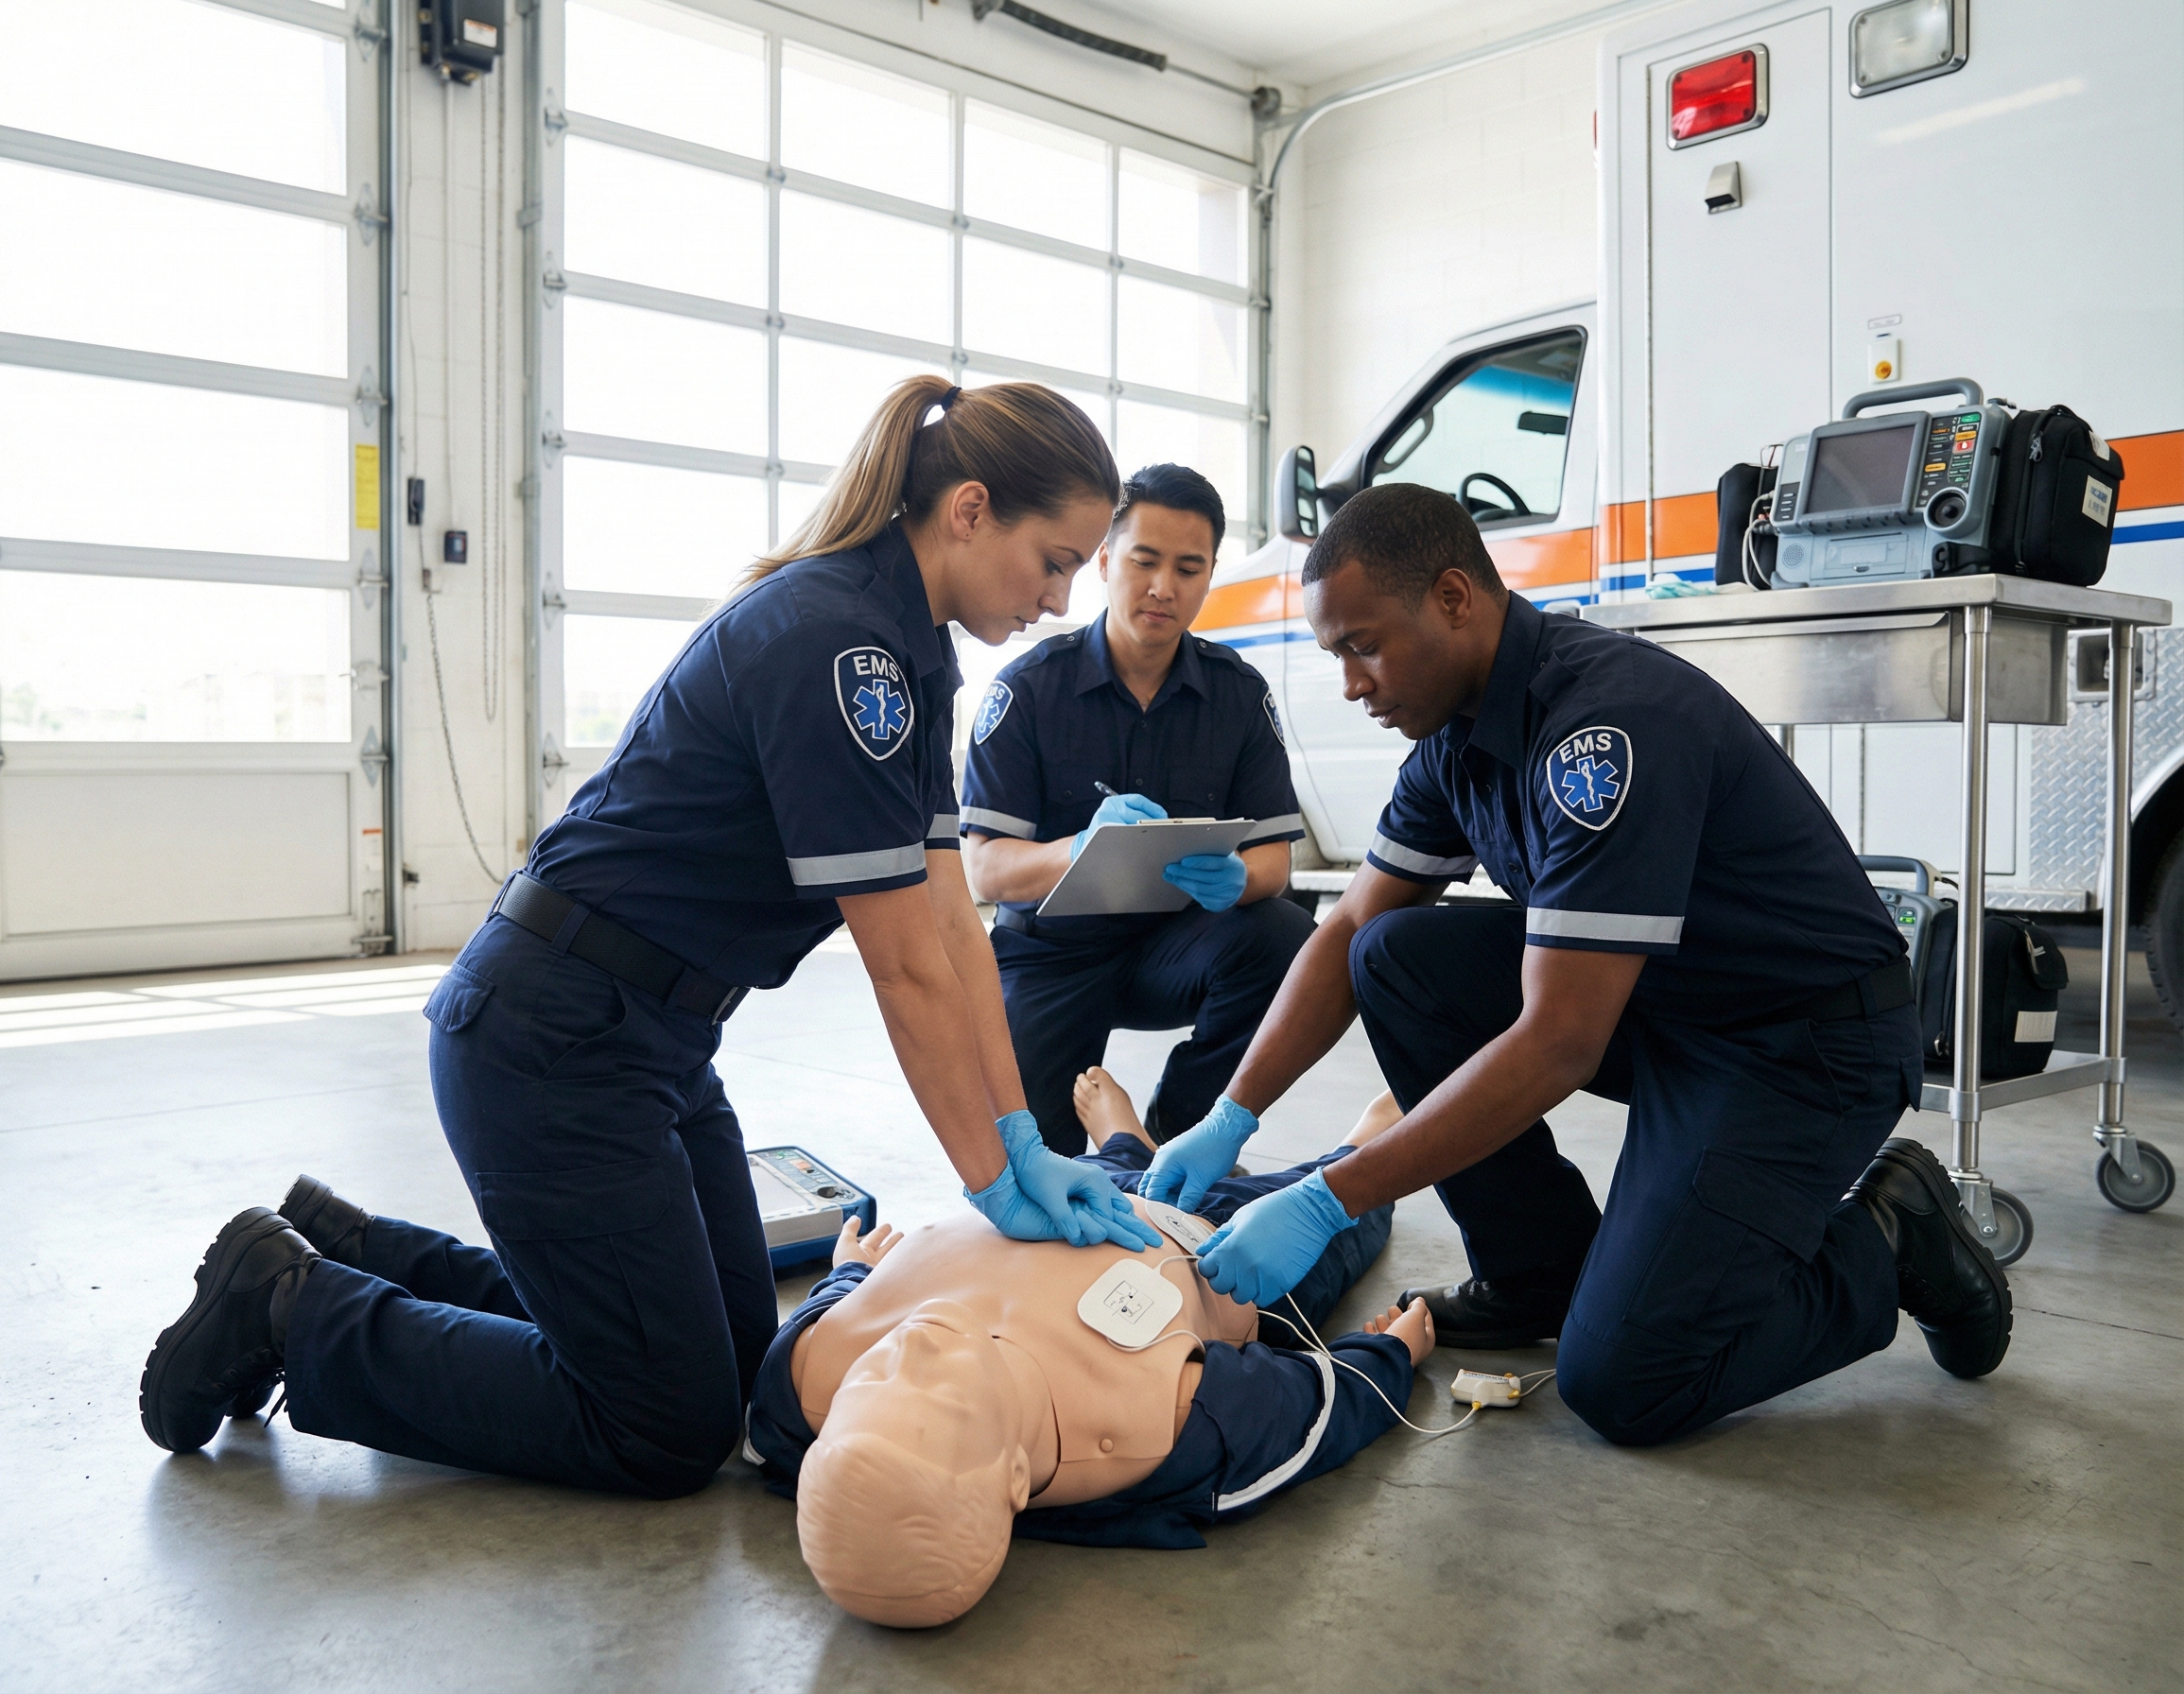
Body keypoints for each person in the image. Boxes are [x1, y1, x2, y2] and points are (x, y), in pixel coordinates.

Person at [137, 377, 1168, 1493]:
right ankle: (288, 1307)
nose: (1063, 598)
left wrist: (1019, 1135)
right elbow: (904, 966)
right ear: (969, 510)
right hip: (553, 1038)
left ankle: (349, 1247)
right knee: (663, 1426)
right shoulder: (840, 648)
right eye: (1057, 560)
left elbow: (955, 927)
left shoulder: (909, 657)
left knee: (732, 1362)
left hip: (651, 1042)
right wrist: (986, 1178)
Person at [1139, 483, 2012, 1447]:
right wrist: (1232, 1114)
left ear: (1456, 598)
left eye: (1365, 644)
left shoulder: (1605, 729)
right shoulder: (1452, 739)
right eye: (1336, 654)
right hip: (1672, 1007)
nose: (1353, 683)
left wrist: (1331, 1193)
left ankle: (1891, 1232)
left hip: (1802, 1045)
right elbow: (1347, 930)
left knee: (1628, 1380)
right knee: (1396, 954)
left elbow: (1558, 1042)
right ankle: (1536, 1273)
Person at [746, 1068, 1429, 1626]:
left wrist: (855, 1271)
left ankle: (1121, 1145)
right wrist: (1386, 1360)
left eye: (871, 1385)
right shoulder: (1152, 1427)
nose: (913, 1348)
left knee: (1090, 1171)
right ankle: (1364, 1139)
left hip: (1048, 1198)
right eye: (936, 1398)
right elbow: (1307, 1412)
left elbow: (834, 1303)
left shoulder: (805, 1377)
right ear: (1015, 1475)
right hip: (1223, 1247)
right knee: (1352, 1193)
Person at [960, 464, 1313, 1153]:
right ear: (1103, 559)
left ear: (1211, 575)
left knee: (1285, 937)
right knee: (1033, 1163)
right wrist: (1081, 847)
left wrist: (1241, 879)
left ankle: (1178, 1137)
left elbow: (1275, 857)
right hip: (1049, 956)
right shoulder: (1028, 692)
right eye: (1144, 561)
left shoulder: (1238, 696)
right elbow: (987, 872)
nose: (1164, 587)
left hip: (1172, 947)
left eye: (1189, 568)